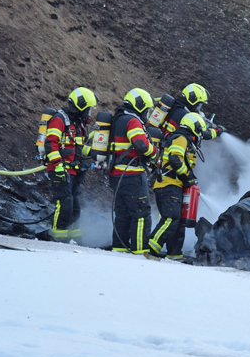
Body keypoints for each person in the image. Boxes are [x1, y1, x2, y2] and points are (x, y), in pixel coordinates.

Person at [148, 112, 207, 260]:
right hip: (168, 184)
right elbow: (175, 160)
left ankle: (175, 254)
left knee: (178, 221)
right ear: (194, 127)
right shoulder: (180, 138)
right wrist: (187, 177)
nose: (199, 135)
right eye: (199, 131)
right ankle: (150, 250)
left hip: (174, 185)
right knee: (171, 217)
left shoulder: (184, 139)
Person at [44, 87, 97, 243]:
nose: (89, 113)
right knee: (64, 204)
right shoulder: (59, 119)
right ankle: (56, 238)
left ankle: (74, 239)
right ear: (80, 106)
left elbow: (78, 149)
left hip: (74, 171)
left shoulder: (77, 124)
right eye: (88, 109)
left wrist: (97, 153)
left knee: (75, 207)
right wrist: (58, 165)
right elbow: (51, 144)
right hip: (60, 170)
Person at [109, 88, 158, 253]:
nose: (147, 113)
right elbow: (140, 144)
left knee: (123, 214)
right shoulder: (132, 120)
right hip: (132, 175)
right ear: (140, 106)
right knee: (141, 214)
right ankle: (140, 252)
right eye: (146, 109)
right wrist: (155, 153)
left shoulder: (118, 119)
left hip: (117, 175)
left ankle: (119, 249)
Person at [160, 83, 225, 141]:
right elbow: (202, 134)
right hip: (167, 147)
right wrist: (218, 131)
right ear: (193, 100)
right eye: (199, 105)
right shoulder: (185, 115)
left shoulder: (175, 105)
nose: (199, 108)